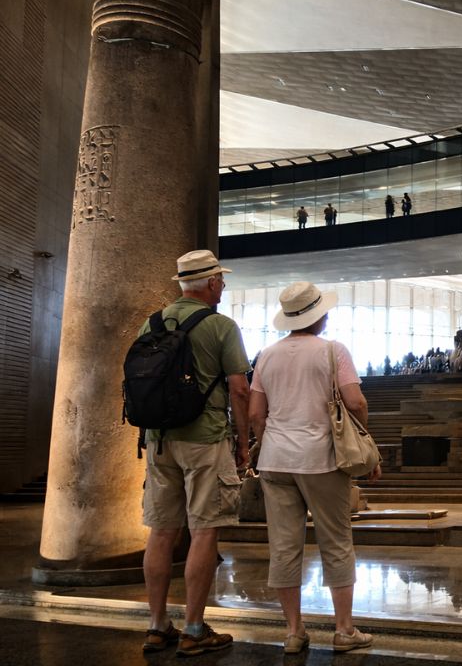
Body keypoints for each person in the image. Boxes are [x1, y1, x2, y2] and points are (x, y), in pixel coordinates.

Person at [250, 281, 379, 655]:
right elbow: (354, 402)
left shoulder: (266, 355)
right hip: (321, 458)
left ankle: (293, 631)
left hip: (275, 460)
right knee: (336, 541)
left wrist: (269, 439)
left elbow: (257, 413)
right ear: (318, 316)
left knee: (284, 546)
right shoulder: (332, 351)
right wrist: (366, 442)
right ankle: (343, 630)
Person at [141, 250, 251, 656]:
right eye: (220, 280)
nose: (222, 285)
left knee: (162, 531)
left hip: (158, 440)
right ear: (209, 283)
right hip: (205, 438)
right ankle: (193, 628)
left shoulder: (150, 323)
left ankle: (156, 626)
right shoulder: (221, 325)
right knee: (204, 530)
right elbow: (239, 389)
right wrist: (243, 442)